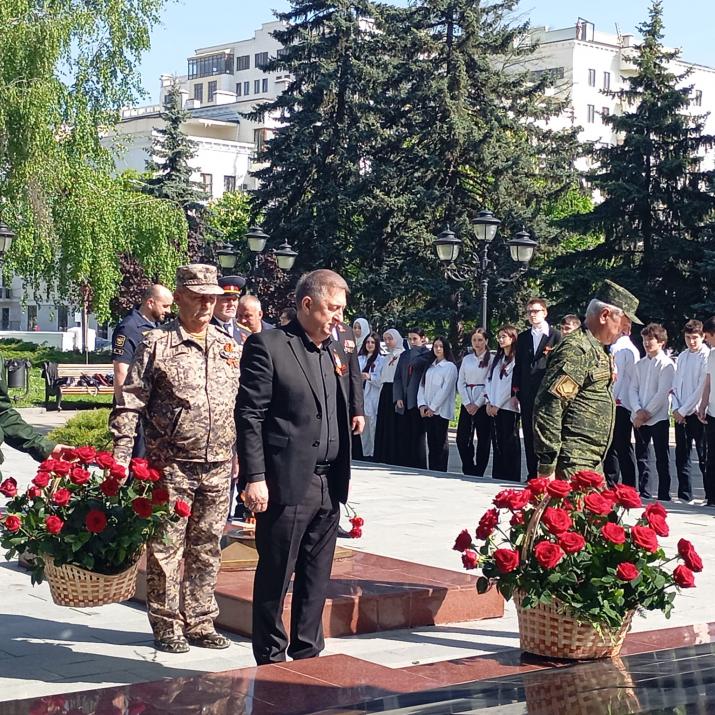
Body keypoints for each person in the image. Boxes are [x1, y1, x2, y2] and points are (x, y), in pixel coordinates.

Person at [110, 264, 241, 654]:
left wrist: (243, 456)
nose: (206, 305)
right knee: (167, 547)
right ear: (179, 297)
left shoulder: (228, 346)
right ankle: (166, 624)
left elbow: (242, 406)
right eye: (198, 297)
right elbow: (130, 402)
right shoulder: (157, 344)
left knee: (207, 544)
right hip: (172, 465)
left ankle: (200, 620)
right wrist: (121, 456)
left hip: (218, 463)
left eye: (212, 298)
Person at [237, 269, 362, 665]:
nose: (338, 317)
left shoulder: (335, 349)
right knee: (276, 575)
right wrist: (255, 477)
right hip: (287, 481)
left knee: (316, 577)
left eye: (341, 309)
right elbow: (250, 415)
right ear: (307, 304)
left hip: (329, 481)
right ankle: (271, 660)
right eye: (332, 308)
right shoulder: (269, 345)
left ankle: (309, 654)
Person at [533, 280, 642, 479]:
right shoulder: (577, 350)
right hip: (572, 462)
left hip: (590, 461)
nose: (626, 330)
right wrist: (547, 465)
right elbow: (550, 405)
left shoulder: (598, 350)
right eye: (624, 323)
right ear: (604, 315)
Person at [112, 284, 174, 458]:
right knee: (136, 460)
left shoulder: (157, 327)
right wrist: (125, 411)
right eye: (165, 306)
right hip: (136, 407)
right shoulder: (129, 328)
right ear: (150, 302)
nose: (169, 311)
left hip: (153, 407)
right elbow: (121, 371)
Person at [512, 297, 561, 479]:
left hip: (547, 394)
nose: (533, 315)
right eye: (530, 312)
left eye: (536, 311)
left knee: (546, 432)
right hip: (527, 393)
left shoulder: (555, 336)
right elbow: (518, 366)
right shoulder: (524, 337)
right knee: (529, 432)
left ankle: (547, 474)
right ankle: (532, 473)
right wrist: (515, 391)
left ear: (545, 312)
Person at [629, 323, 675, 500]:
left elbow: (662, 393)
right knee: (642, 456)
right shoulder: (639, 364)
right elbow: (633, 389)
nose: (647, 343)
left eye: (650, 340)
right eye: (644, 340)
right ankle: (645, 491)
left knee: (662, 456)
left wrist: (646, 412)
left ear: (661, 342)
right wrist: (637, 410)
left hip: (658, 417)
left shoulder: (666, 364)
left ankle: (664, 493)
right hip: (639, 416)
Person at [671, 320, 709, 503]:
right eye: (688, 338)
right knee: (682, 455)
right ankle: (685, 495)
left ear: (702, 336)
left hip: (698, 413)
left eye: (695, 338)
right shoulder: (683, 356)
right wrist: (676, 408)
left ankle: (710, 495)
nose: (691, 342)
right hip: (681, 413)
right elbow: (676, 384)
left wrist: (686, 409)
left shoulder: (706, 356)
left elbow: (701, 387)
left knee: (704, 456)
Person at [603, 318, 640, 487]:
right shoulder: (622, 347)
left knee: (619, 445)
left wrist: (609, 399)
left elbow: (616, 378)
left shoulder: (621, 348)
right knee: (618, 445)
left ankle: (620, 483)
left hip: (620, 402)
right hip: (622, 401)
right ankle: (621, 482)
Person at [485, 325, 521, 482]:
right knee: (497, 441)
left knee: (509, 442)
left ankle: (511, 475)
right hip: (494, 406)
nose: (500, 340)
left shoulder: (516, 359)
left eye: (503, 336)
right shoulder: (498, 360)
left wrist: (498, 404)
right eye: (499, 337)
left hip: (508, 407)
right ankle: (498, 474)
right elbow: (489, 381)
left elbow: (509, 385)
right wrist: (488, 402)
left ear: (512, 338)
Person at [456, 328, 493, 476]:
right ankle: (468, 466)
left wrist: (478, 403)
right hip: (467, 401)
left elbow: (489, 383)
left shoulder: (491, 359)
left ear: (486, 341)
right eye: (474, 340)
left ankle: (479, 470)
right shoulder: (467, 359)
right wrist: (466, 402)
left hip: (482, 402)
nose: (477, 343)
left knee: (483, 438)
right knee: (462, 438)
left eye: (480, 340)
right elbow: (461, 381)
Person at [417, 337, 458, 471]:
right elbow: (422, 386)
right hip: (427, 410)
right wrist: (422, 405)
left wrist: (433, 407)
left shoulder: (450, 367)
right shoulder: (430, 366)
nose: (438, 349)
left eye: (441, 346)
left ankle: (441, 470)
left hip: (441, 410)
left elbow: (445, 390)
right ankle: (432, 468)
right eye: (435, 346)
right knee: (431, 442)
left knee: (440, 442)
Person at [393, 327, 431, 468]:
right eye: (410, 339)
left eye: (415, 339)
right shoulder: (404, 355)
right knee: (404, 434)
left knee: (418, 435)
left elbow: (416, 363)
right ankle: (404, 462)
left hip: (418, 401)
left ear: (423, 339)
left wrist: (419, 349)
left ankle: (419, 464)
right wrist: (398, 397)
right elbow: (397, 377)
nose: (412, 342)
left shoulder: (427, 354)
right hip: (404, 399)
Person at [373, 329, 405, 465]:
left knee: (393, 424)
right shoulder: (387, 357)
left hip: (395, 390)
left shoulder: (403, 355)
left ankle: (393, 456)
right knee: (383, 423)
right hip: (385, 391)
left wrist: (399, 396)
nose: (387, 342)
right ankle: (382, 454)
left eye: (390, 339)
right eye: (385, 339)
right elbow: (382, 377)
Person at [358, 332, 384, 459]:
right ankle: (365, 453)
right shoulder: (359, 359)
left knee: (373, 424)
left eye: (372, 342)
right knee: (362, 426)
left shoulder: (381, 360)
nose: (370, 345)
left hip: (373, 396)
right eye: (367, 342)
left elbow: (381, 380)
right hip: (361, 395)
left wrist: (370, 377)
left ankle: (374, 453)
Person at [698, 316, 715, 506]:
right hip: (713, 411)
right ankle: (711, 496)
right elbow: (708, 382)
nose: (706, 341)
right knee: (711, 455)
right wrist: (703, 404)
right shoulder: (712, 355)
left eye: (708, 337)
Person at [211, 275, 250, 345]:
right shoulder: (204, 328)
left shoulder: (245, 333)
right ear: (214, 301)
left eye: (234, 299)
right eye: (227, 300)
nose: (231, 304)